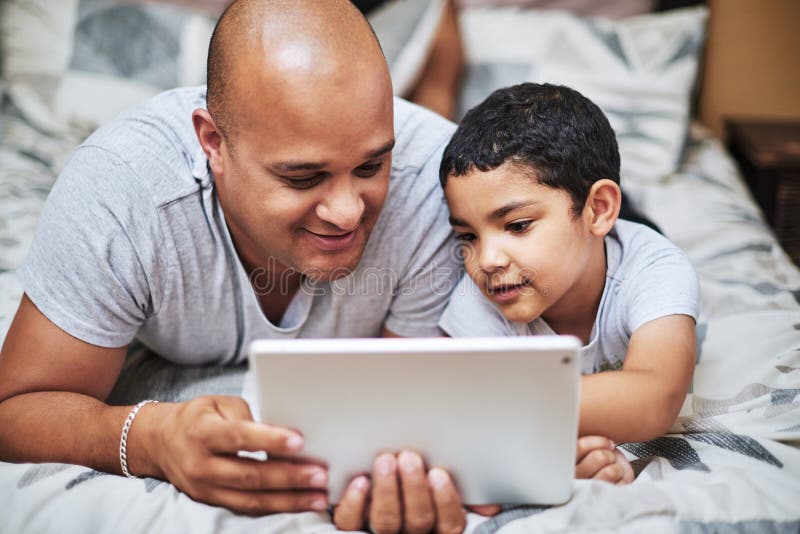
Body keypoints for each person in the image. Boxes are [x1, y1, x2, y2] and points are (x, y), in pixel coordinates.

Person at [0, 1, 483, 532]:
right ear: (213, 142)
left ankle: (437, 66)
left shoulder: (435, 185)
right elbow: (14, 410)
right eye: (303, 178)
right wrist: (148, 438)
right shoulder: (122, 192)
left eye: (371, 165)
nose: (347, 212)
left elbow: (406, 405)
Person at [438, 83, 701, 483]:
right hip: (585, 241)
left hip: (619, 242)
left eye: (517, 225)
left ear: (597, 209)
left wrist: (502, 409)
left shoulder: (656, 269)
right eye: (468, 237)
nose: (486, 261)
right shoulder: (479, 300)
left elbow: (656, 397)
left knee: (631, 232)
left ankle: (621, 211)